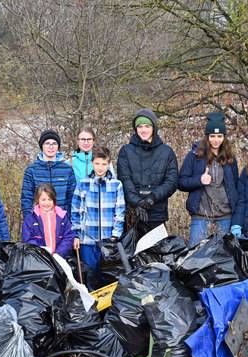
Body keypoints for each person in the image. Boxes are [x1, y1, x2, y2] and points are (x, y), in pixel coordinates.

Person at [178, 112, 239, 246]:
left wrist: (237, 218)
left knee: (224, 257)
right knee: (195, 256)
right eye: (212, 136)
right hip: (201, 215)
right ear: (207, 137)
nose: (216, 140)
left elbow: (235, 186)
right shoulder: (195, 156)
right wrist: (199, 180)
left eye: (219, 136)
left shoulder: (230, 158)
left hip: (225, 215)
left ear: (224, 137)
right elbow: (181, 182)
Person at [116, 109, 178, 237]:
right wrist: (137, 203)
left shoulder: (166, 152)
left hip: (157, 213)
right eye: (140, 126)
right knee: (133, 254)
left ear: (154, 128)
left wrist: (152, 198)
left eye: (147, 126)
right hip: (133, 214)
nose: (143, 130)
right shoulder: (126, 151)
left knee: (158, 254)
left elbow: (171, 182)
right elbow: (124, 179)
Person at [71, 148, 126, 289]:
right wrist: (76, 234)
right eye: (97, 164)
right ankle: (92, 308)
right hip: (87, 239)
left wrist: (115, 235)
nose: (100, 168)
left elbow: (119, 212)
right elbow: (76, 210)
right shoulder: (83, 184)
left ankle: (107, 309)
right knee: (89, 275)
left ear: (108, 164)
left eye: (103, 164)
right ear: (92, 164)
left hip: (107, 240)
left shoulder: (116, 185)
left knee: (107, 277)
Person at [21, 129, 76, 216]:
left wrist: (67, 220)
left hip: (62, 221)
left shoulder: (67, 170)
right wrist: (30, 221)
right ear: (42, 146)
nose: (51, 147)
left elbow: (72, 198)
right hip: (38, 221)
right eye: (47, 143)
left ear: (58, 147)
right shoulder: (31, 170)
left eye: (54, 143)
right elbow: (26, 199)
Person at [21, 183, 74, 258]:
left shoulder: (62, 216)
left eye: (50, 199)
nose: (46, 203)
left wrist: (59, 254)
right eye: (43, 200)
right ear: (37, 200)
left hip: (60, 258)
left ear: (54, 200)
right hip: (39, 258)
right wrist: (42, 252)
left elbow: (69, 236)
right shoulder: (30, 218)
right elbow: (27, 239)